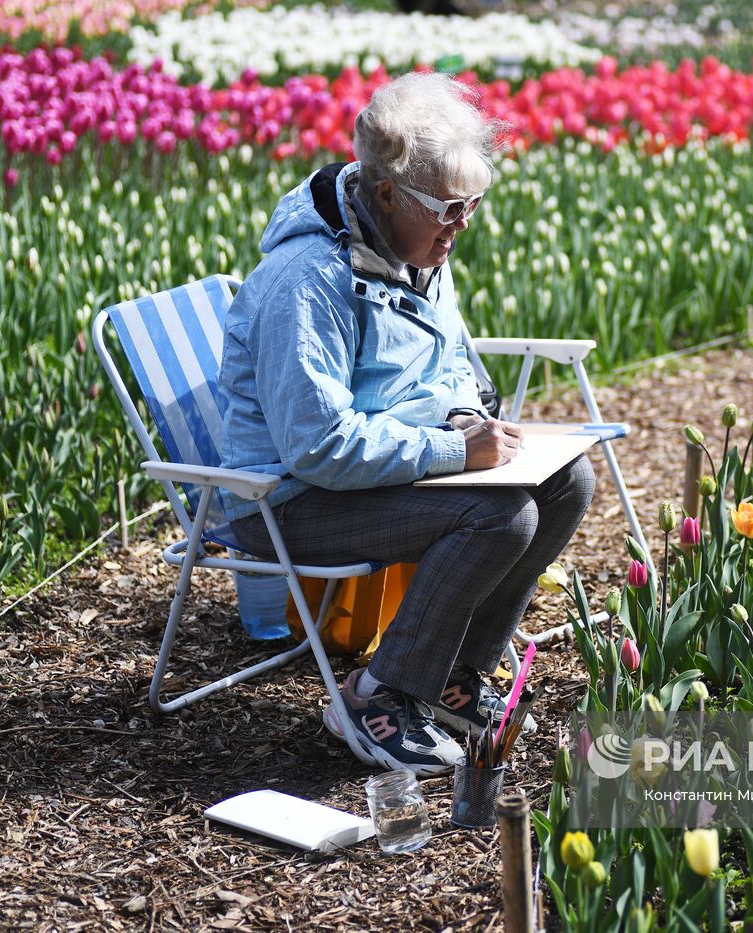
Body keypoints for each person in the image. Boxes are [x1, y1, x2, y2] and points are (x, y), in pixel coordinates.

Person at [217, 73, 595, 776]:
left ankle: (451, 678)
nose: (464, 223)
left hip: (377, 475)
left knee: (568, 481)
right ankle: (376, 696)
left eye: (474, 203)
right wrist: (454, 448)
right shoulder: (307, 283)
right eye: (450, 207)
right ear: (386, 193)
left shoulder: (414, 249)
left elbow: (447, 366)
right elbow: (318, 447)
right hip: (288, 501)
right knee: (500, 518)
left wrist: (464, 417)